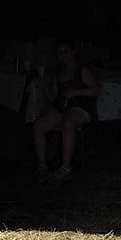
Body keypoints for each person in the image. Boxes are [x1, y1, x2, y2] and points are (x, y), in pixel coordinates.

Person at [31, 41, 100, 183]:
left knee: (68, 122)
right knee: (39, 125)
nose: (62, 55)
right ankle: (42, 167)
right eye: (59, 53)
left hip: (81, 107)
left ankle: (65, 168)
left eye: (65, 51)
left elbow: (96, 89)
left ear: (73, 52)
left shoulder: (82, 70)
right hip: (62, 107)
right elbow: (54, 97)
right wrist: (45, 86)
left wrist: (76, 92)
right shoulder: (58, 72)